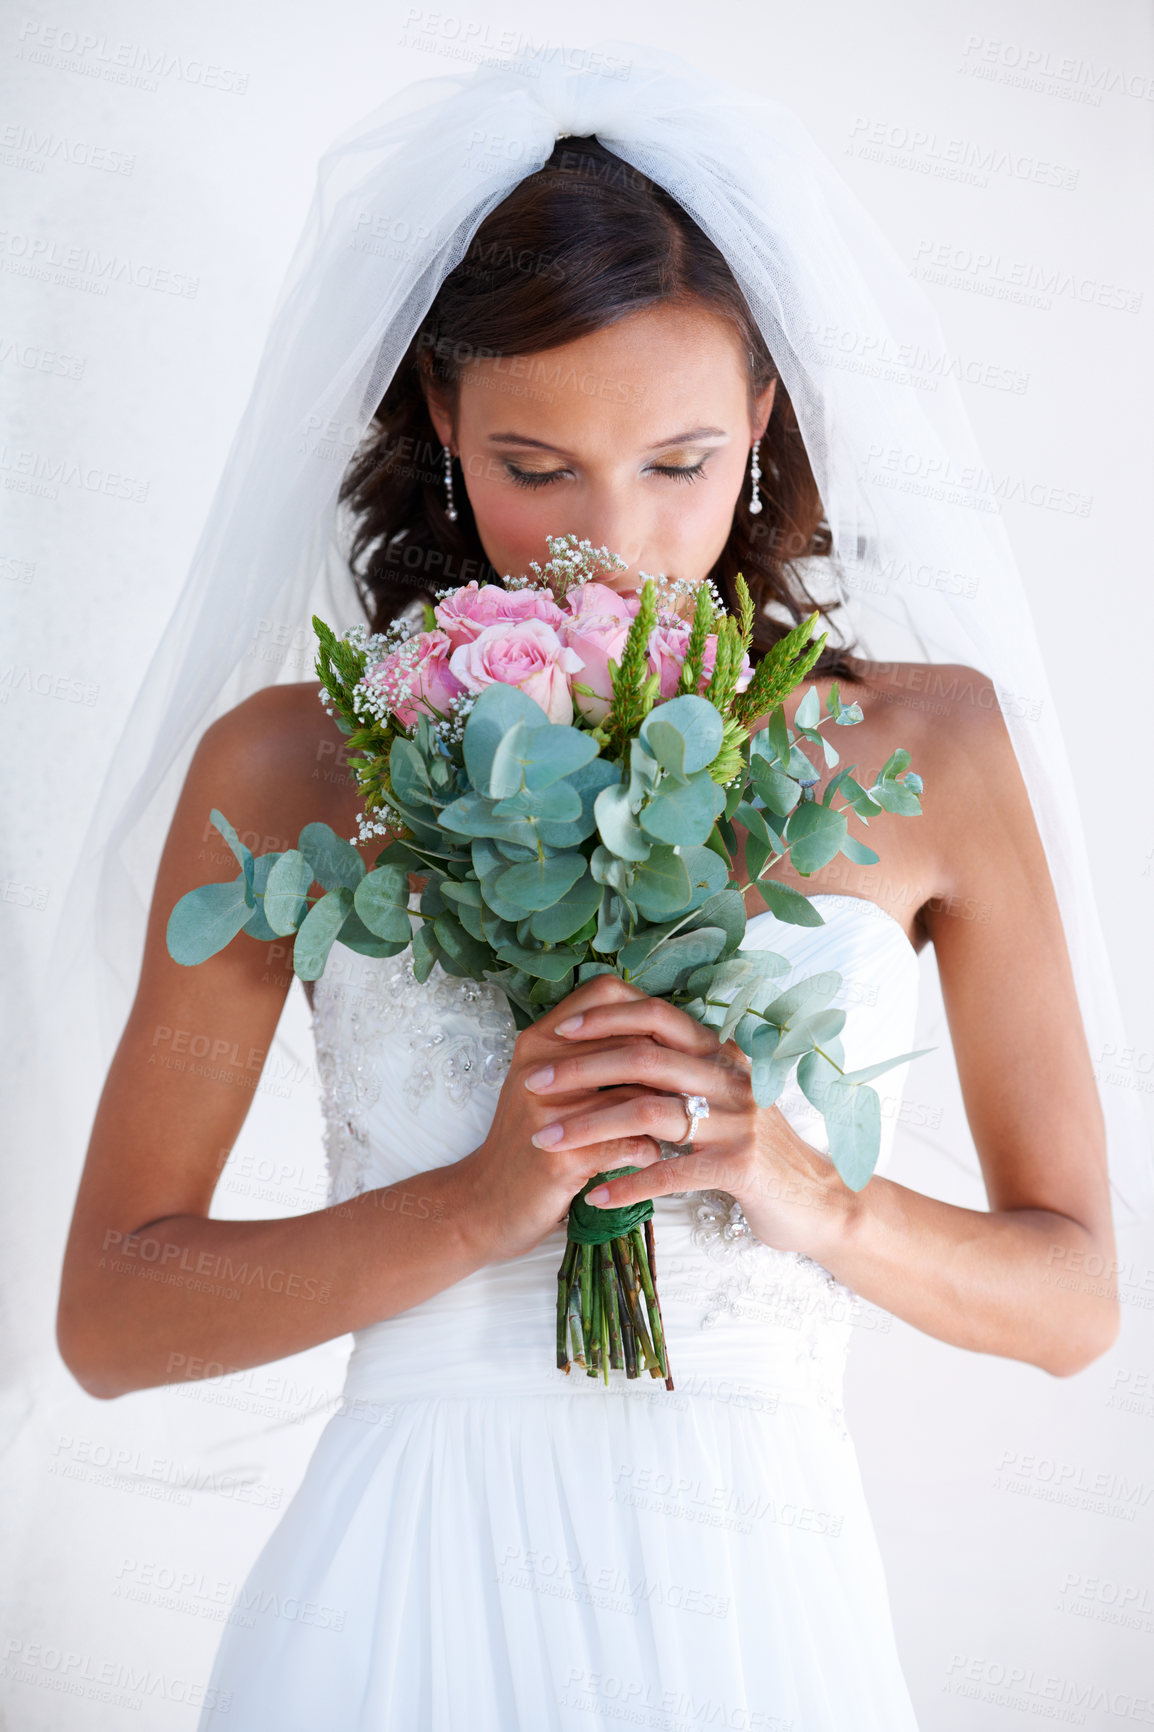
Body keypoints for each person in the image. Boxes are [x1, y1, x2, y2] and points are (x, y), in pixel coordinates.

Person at [51, 44, 1149, 1732]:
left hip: (759, 1608)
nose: (608, 541)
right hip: (393, 1603)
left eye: (680, 461)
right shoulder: (293, 769)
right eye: (534, 467)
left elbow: (1073, 1301)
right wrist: (481, 1206)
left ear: (767, 417)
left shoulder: (933, 749)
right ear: (437, 416)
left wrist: (798, 1183)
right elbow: (113, 1317)